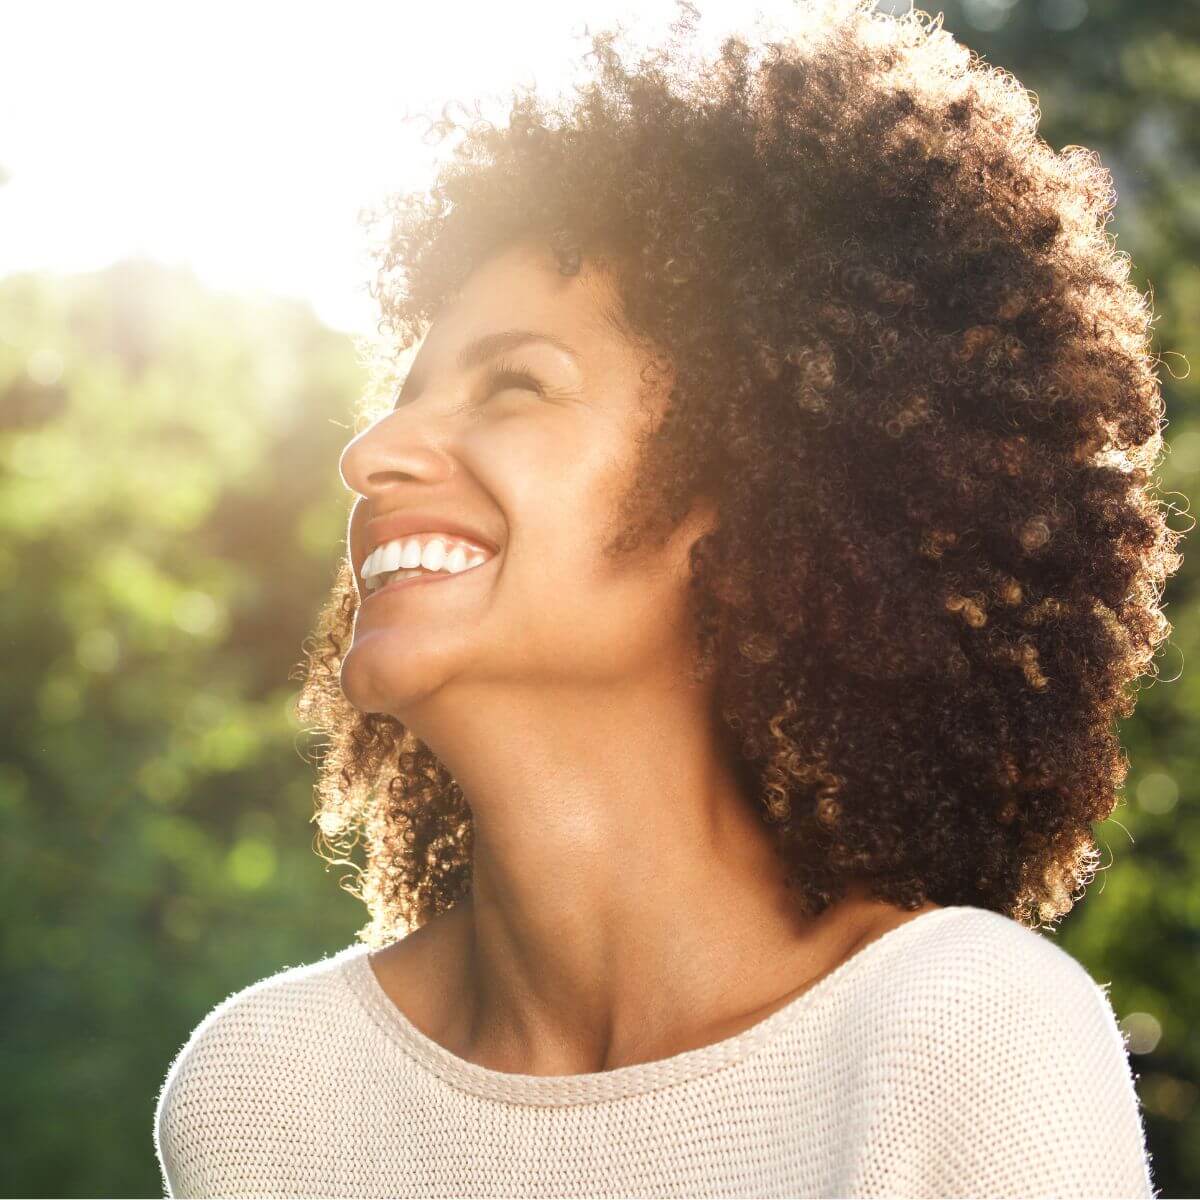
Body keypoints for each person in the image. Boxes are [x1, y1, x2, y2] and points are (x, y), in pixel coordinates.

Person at [155, 1, 1176, 1195]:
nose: (373, 450)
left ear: (759, 487)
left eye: (518, 385)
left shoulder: (959, 1038)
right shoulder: (269, 1091)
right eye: (406, 390)